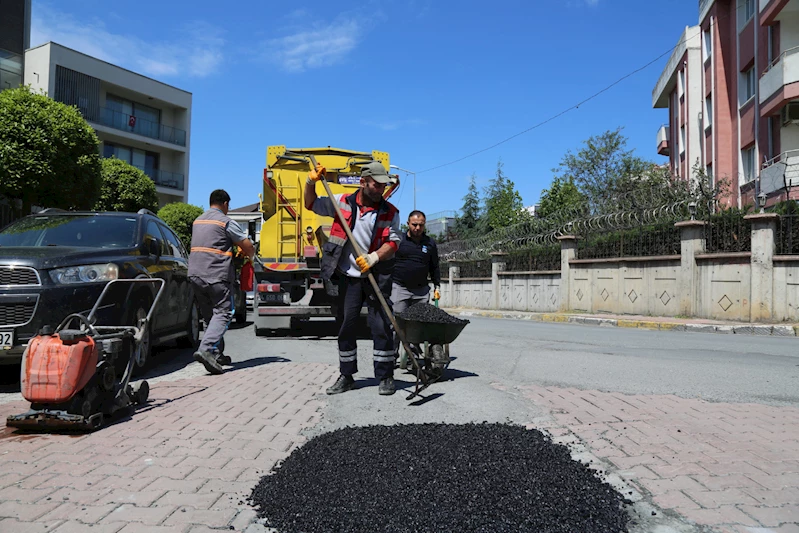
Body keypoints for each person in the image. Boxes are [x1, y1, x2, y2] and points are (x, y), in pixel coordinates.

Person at [304, 161, 401, 395]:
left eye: (383, 186)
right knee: (346, 325)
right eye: (376, 185)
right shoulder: (341, 202)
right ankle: (346, 375)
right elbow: (310, 203)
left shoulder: (391, 212)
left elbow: (394, 242)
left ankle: (386, 376)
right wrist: (310, 182)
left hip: (376, 274)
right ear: (363, 182)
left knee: (381, 324)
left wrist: (374, 257)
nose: (381, 189)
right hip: (347, 276)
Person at [188, 189, 255, 375]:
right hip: (216, 274)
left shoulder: (198, 220)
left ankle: (217, 355)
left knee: (211, 316)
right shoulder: (225, 221)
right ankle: (206, 349)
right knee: (224, 312)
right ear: (225, 204)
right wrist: (250, 256)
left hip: (195, 274)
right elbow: (247, 245)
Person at [391, 210, 442, 362]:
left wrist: (437, 286)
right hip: (400, 288)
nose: (417, 228)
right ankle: (392, 355)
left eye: (421, 225)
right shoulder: (399, 240)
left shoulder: (429, 243)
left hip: (421, 291)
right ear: (408, 224)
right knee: (397, 323)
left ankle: (412, 354)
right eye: (414, 224)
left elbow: (434, 266)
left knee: (417, 324)